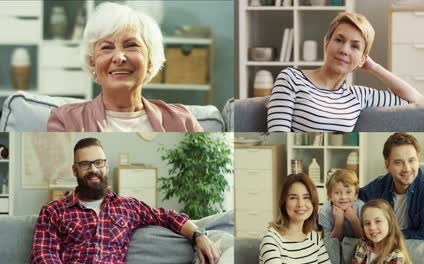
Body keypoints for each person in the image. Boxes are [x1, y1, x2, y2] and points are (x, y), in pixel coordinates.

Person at [30, 138, 219, 263]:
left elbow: (167, 217)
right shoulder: (53, 211)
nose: (93, 169)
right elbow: (43, 257)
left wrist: (198, 235)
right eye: (85, 164)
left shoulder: (128, 206)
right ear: (75, 170)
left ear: (106, 165)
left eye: (99, 163)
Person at [47, 2, 203, 132]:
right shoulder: (65, 121)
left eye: (131, 45)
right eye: (107, 47)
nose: (119, 57)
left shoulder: (183, 122)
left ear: (150, 61)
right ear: (92, 61)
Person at [267, 12, 424, 132]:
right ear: (326, 43)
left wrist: (374, 67)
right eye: (339, 40)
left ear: (362, 58)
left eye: (354, 46)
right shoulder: (291, 78)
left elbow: (415, 99)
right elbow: (278, 136)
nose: (344, 50)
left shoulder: (358, 96)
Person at [359, 133, 424, 239]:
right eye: (398, 162)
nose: (407, 168)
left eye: (411, 160)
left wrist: (388, 234)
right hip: (389, 246)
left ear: (418, 161)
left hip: (423, 249)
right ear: (387, 165)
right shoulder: (380, 185)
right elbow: (356, 197)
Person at [259, 174, 331, 264]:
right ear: (284, 203)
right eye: (293, 198)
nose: (300, 204)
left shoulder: (314, 237)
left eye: (306, 197)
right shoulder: (271, 240)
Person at [352, 199, 412, 264]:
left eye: (378, 221)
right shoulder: (362, 245)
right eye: (367, 223)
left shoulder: (396, 257)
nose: (372, 227)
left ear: (390, 223)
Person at [318, 169, 364, 239]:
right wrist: (339, 222)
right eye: (337, 192)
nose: (343, 197)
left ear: (356, 195)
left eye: (348, 192)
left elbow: (365, 239)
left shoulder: (362, 208)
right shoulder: (324, 211)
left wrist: (354, 220)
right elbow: (329, 243)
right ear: (329, 195)